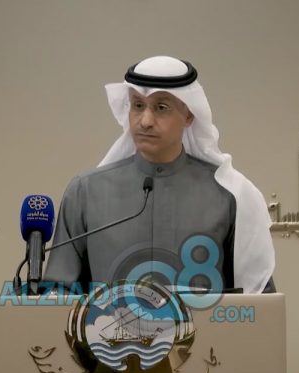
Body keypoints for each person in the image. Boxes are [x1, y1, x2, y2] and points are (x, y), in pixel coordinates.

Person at [44, 56, 275, 294]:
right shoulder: (85, 192)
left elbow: (258, 299)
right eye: (138, 105)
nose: (145, 121)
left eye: (161, 107)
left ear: (189, 115)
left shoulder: (230, 196)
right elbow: (57, 294)